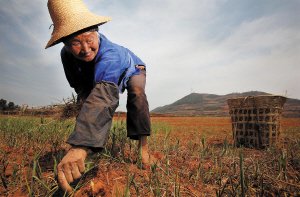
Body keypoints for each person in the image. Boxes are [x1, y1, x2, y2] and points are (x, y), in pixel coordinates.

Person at [45, 0, 152, 193]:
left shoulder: (112, 55)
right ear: (65, 44)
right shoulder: (66, 55)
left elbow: (103, 96)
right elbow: (81, 88)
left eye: (89, 39)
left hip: (133, 68)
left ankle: (143, 149)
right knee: (87, 100)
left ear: (97, 31)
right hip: (98, 76)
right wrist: (81, 137)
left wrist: (81, 145)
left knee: (137, 93)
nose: (85, 48)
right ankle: (89, 153)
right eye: (76, 43)